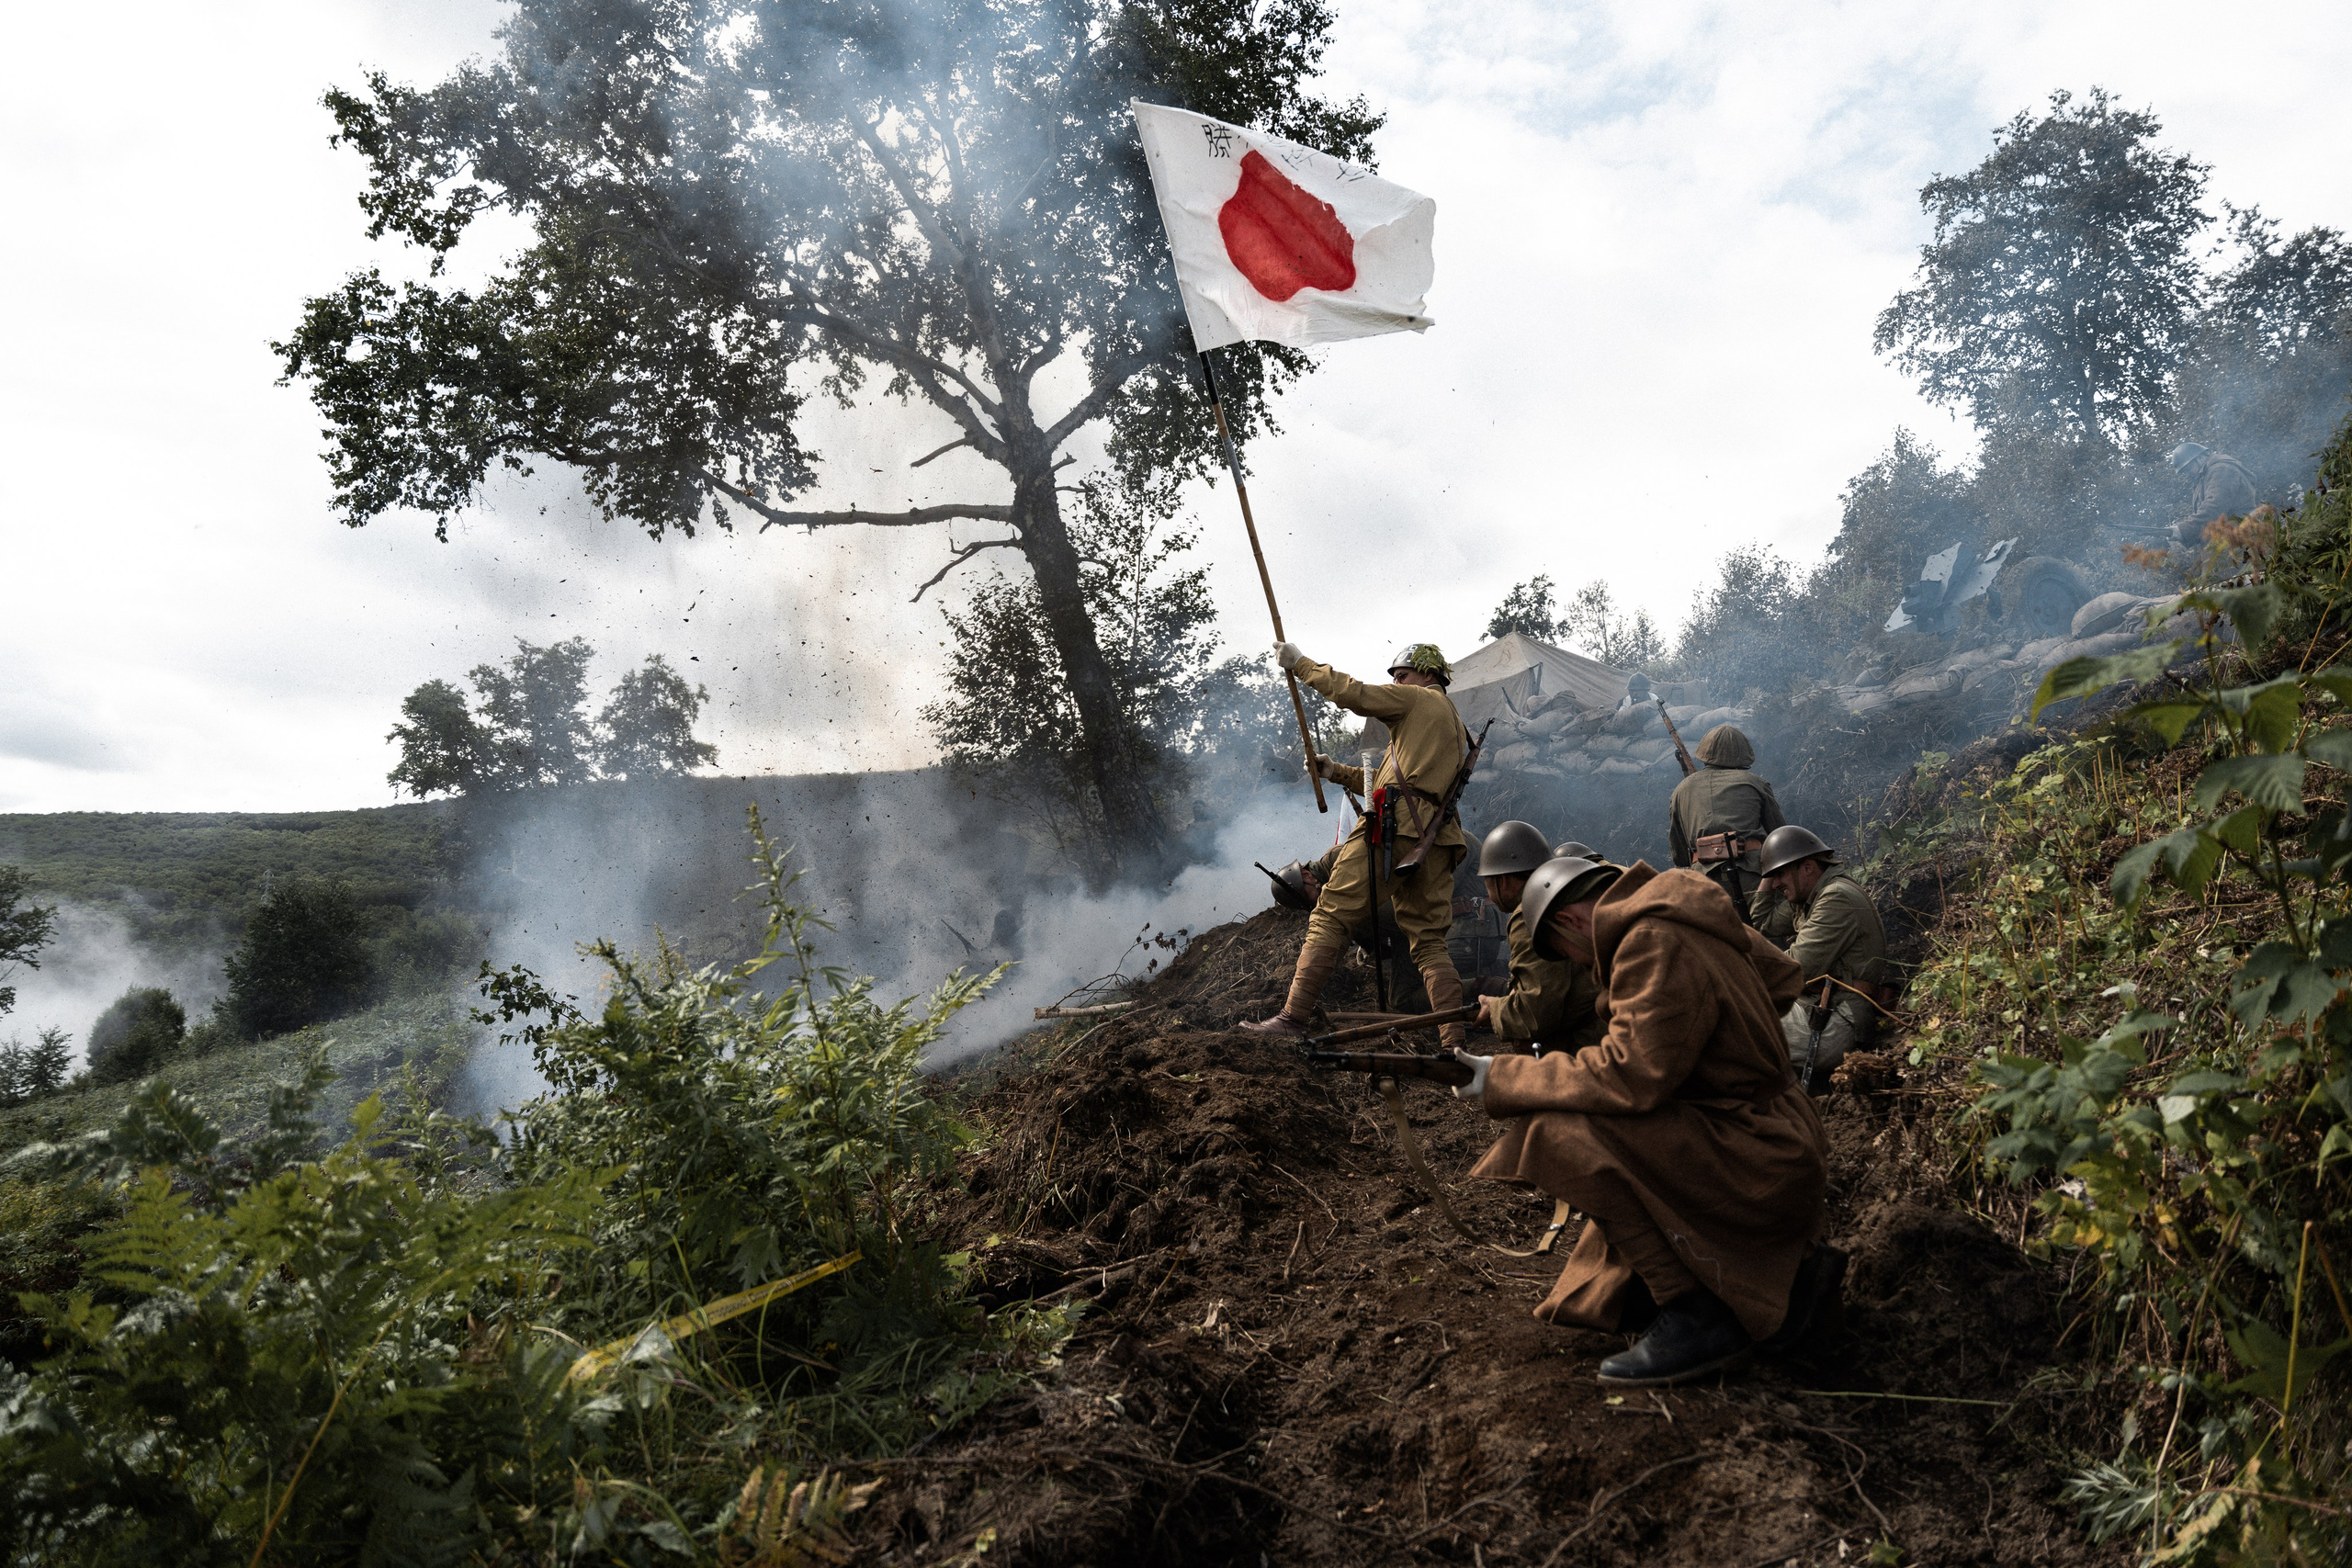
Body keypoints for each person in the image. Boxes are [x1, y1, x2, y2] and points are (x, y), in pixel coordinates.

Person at [1450, 855, 1838, 1386]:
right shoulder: (1685, 907)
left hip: (1757, 1151)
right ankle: (1783, 1275)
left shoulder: (1647, 940)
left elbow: (1628, 1076)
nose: (1578, 967)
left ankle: (1700, 1312)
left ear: (1569, 922)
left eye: (1563, 954)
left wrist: (1501, 1078)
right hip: (1781, 1127)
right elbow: (1784, 978)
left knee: (1557, 1134)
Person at [1243, 642, 1474, 1048]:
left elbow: (1356, 694)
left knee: (1330, 913)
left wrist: (1301, 665)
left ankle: (1291, 1020)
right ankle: (1452, 1040)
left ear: (1427, 675)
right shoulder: (1451, 723)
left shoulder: (1417, 700)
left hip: (1395, 830)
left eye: (1401, 675)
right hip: (1436, 838)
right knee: (1428, 940)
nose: (1396, 683)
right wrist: (1335, 772)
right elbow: (1392, 781)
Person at [1754, 826, 1887, 1088]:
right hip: (1821, 1008)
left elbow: (1795, 970)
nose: (1776, 883)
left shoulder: (1836, 897)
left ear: (1808, 867)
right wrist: (1769, 872)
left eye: (1780, 873)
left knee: (1739, 1029)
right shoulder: (1809, 899)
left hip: (1839, 1020)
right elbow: (1762, 921)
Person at [1469, 821, 1604, 1053]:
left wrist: (1496, 1010)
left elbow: (1535, 1013)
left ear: (1502, 881)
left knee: (1527, 1043)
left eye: (1487, 880)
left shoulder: (1531, 913)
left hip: (1605, 1036)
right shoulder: (1568, 889)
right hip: (1623, 1010)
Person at [1667, 725, 1786, 924]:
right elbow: (1780, 836)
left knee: (1715, 945)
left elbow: (1679, 853)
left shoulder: (1681, 790)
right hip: (1753, 874)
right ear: (1743, 753)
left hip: (1703, 878)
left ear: (1704, 752)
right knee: (1769, 933)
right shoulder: (1755, 783)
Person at [2166, 443, 2259, 549]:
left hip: (2237, 541)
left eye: (2189, 468)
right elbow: (2208, 520)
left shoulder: (2221, 469)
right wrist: (2182, 535)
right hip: (2225, 543)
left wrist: (2183, 530)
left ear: (2200, 458)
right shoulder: (2205, 478)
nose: (2188, 474)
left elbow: (2215, 507)